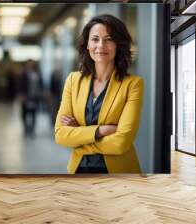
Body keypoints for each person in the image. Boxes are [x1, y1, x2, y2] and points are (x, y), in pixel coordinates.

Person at [54, 14, 144, 174]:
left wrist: (79, 140)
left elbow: (121, 142)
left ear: (118, 44)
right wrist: (101, 131)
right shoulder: (73, 81)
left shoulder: (133, 84)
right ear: (87, 44)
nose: (100, 45)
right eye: (95, 39)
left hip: (118, 172)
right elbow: (61, 135)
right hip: (78, 170)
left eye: (108, 39)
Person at [19, 59, 43, 136]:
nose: (31, 65)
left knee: (33, 113)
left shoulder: (37, 73)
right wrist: (21, 94)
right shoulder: (24, 73)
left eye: (32, 63)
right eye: (29, 63)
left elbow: (40, 84)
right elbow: (20, 84)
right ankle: (26, 128)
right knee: (24, 113)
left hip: (34, 97)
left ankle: (32, 129)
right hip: (26, 96)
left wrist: (41, 93)